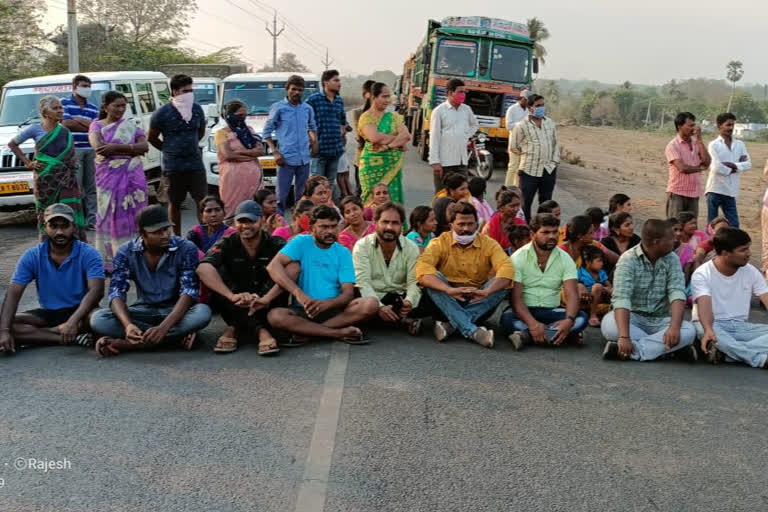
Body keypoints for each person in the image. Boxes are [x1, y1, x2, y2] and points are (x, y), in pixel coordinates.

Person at [90, 205, 212, 357]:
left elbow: (189, 292)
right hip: (143, 311)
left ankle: (132, 345)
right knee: (99, 319)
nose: (165, 235)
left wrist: (164, 328)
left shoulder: (186, 248)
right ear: (142, 234)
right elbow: (116, 292)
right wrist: (128, 325)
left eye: (167, 229)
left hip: (174, 311)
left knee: (202, 313)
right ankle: (174, 338)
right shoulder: (126, 251)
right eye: (157, 232)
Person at [266, 205, 379, 344]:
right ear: (312, 227)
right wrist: (299, 294)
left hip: (334, 311)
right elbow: (273, 266)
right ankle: (335, 333)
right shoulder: (301, 242)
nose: (330, 231)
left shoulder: (343, 253)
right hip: (303, 310)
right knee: (275, 316)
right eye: (324, 227)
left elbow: (347, 294)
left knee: (371, 304)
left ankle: (308, 333)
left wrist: (326, 304)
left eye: (333, 226)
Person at [0, 204, 104, 354]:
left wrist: (72, 322)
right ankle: (65, 337)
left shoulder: (88, 253)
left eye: (65, 226)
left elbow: (97, 291)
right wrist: (4, 331)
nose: (60, 232)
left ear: (74, 227)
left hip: (82, 311)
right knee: (5, 323)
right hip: (48, 314)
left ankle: (42, 335)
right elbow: (13, 293)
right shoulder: (32, 255)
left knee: (98, 319)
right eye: (54, 226)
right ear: (44, 228)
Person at [414, 202, 515, 348]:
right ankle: (473, 331)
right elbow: (422, 269)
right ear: (451, 225)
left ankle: (451, 325)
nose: (466, 229)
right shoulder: (439, 242)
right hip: (446, 299)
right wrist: (448, 290)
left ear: (477, 225)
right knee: (432, 277)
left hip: (477, 299)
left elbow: (507, 268)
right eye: (461, 224)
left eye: (470, 224)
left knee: (504, 283)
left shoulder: (489, 244)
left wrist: (487, 292)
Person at [600, 219, 697, 362]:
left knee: (689, 330)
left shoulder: (672, 259)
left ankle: (633, 351)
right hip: (632, 318)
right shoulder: (628, 259)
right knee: (611, 327)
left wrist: (674, 328)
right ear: (656, 242)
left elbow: (677, 293)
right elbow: (622, 298)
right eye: (670, 238)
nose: (676, 239)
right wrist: (624, 336)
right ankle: (669, 350)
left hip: (662, 320)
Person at [197, 200, 286, 355]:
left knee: (284, 271)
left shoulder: (276, 243)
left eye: (251, 221)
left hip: (267, 302)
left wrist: (264, 297)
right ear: (234, 223)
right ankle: (261, 331)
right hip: (236, 302)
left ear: (262, 221)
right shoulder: (226, 242)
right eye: (241, 221)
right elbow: (203, 268)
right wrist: (231, 295)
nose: (245, 226)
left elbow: (294, 269)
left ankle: (234, 327)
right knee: (215, 272)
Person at [501, 213, 587, 349]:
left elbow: (572, 294)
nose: (552, 236)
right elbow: (516, 299)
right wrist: (533, 324)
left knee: (581, 317)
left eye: (554, 232)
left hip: (552, 311)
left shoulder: (565, 259)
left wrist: (569, 320)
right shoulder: (518, 258)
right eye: (545, 232)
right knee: (507, 319)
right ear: (533, 234)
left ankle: (527, 336)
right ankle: (560, 335)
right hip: (525, 312)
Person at [8, 95, 87, 241]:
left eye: (61, 108)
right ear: (45, 112)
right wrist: (28, 162)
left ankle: (74, 244)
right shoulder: (34, 129)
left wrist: (73, 163)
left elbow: (70, 155)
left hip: (66, 180)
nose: (60, 111)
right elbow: (12, 144)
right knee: (47, 213)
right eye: (55, 108)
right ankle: (48, 246)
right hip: (45, 180)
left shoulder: (65, 131)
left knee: (68, 211)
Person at [88, 90, 149, 272]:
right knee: (110, 214)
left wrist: (116, 147)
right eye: (117, 105)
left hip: (133, 177)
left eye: (124, 105)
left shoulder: (131, 126)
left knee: (137, 214)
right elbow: (99, 148)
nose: (121, 109)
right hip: (108, 178)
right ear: (106, 107)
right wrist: (131, 149)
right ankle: (113, 260)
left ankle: (139, 255)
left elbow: (144, 146)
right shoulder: (96, 126)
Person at [692, 227, 768, 368]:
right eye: (743, 250)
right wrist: (708, 329)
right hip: (710, 324)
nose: (749, 253)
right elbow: (704, 306)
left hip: (742, 328)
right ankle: (760, 359)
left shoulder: (751, 271)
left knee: (725, 343)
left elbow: (766, 297)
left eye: (748, 248)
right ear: (725, 253)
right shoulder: (702, 274)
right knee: (709, 333)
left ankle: (726, 353)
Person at [148, 74, 207, 236]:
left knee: (202, 202)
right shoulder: (162, 113)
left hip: (195, 163)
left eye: (190, 90)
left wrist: (190, 146)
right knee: (174, 203)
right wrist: (168, 149)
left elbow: (200, 131)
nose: (188, 94)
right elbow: (151, 137)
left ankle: (205, 236)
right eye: (184, 91)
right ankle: (176, 238)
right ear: (174, 91)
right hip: (173, 165)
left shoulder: (197, 109)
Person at [353, 202, 424, 335]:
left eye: (395, 223)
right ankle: (403, 321)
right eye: (385, 222)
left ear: (401, 226)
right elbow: (363, 283)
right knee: (356, 296)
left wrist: (409, 302)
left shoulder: (411, 247)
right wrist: (379, 307)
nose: (389, 227)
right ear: (375, 223)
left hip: (399, 298)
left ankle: (395, 318)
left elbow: (413, 282)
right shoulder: (362, 246)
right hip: (372, 298)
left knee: (427, 292)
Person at [263, 75, 318, 216]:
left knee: (302, 196)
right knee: (281, 196)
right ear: (287, 90)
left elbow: (312, 127)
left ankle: (299, 224)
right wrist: (275, 152)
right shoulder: (278, 108)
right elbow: (267, 132)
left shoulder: (307, 108)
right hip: (285, 159)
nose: (297, 93)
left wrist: (315, 142)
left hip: (304, 158)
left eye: (300, 90)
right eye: (293, 89)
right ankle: (278, 226)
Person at [509, 94, 560, 221]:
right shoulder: (521, 125)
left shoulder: (550, 123)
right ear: (530, 107)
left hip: (548, 169)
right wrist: (529, 153)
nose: (541, 108)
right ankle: (525, 229)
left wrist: (554, 162)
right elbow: (514, 147)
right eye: (538, 106)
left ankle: (543, 227)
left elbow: (555, 144)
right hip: (529, 170)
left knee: (546, 203)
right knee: (525, 202)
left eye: (543, 105)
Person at [358, 82, 410, 205]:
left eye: (389, 96)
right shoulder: (366, 117)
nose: (388, 100)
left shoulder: (394, 117)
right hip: (372, 165)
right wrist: (398, 140)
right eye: (384, 96)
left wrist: (388, 146)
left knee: (392, 200)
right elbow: (375, 137)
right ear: (373, 97)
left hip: (392, 164)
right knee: (372, 201)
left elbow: (406, 136)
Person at [215, 99, 266, 218]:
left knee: (254, 211)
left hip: (253, 179)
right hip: (232, 180)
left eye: (245, 115)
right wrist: (251, 154)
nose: (243, 118)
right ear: (229, 115)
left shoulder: (249, 131)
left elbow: (261, 151)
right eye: (239, 115)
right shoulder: (221, 133)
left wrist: (241, 152)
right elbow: (228, 155)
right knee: (232, 210)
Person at [61, 74, 99, 228]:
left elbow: (96, 127)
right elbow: (66, 123)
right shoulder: (64, 103)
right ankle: (75, 221)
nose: (86, 89)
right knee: (75, 186)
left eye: (88, 86)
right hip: (74, 149)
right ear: (74, 87)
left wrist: (77, 121)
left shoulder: (93, 107)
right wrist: (87, 124)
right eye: (83, 86)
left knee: (92, 187)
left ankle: (92, 221)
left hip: (91, 149)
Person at [428, 78, 479, 192]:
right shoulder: (439, 111)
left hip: (461, 162)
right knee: (442, 196)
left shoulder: (466, 110)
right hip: (445, 162)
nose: (463, 95)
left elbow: (474, 124)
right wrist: (435, 161)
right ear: (450, 93)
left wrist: (465, 135)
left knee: (462, 195)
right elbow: (434, 137)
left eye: (464, 92)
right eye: (460, 92)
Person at [705, 113, 751, 227]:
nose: (731, 128)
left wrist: (732, 165)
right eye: (728, 125)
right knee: (712, 225)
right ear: (719, 126)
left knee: (734, 226)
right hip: (715, 189)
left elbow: (748, 164)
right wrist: (737, 167)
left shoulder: (740, 144)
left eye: (733, 125)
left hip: (730, 191)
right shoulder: (713, 145)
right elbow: (715, 167)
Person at [307, 70, 347, 197]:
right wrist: (313, 141)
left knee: (329, 183)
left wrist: (342, 134)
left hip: (335, 150)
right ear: (325, 82)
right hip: (320, 150)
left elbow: (342, 121)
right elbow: (304, 122)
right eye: (335, 80)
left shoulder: (339, 101)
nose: (339, 83)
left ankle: (327, 212)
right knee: (316, 184)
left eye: (339, 80)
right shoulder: (314, 100)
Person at [665, 112, 711, 218]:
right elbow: (682, 168)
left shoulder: (696, 143)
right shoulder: (672, 146)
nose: (693, 128)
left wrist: (699, 140)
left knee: (691, 228)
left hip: (694, 193)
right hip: (677, 193)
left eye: (694, 125)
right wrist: (700, 168)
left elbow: (707, 162)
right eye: (690, 125)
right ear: (680, 126)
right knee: (675, 227)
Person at [351, 80, 376, 195]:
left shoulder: (385, 115)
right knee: (361, 193)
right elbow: (361, 137)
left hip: (381, 161)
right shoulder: (357, 113)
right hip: (362, 159)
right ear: (365, 95)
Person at [482, 188, 526, 252]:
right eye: (512, 206)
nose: (517, 209)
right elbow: (485, 249)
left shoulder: (521, 224)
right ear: (501, 208)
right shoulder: (489, 227)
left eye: (518, 205)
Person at [504, 89, 533, 187]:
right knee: (513, 166)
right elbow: (508, 126)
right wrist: (521, 124)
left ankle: (516, 188)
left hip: (525, 141)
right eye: (527, 100)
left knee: (521, 168)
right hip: (515, 139)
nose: (528, 102)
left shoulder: (529, 111)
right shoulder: (512, 109)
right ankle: (507, 188)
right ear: (522, 98)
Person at [578, 245, 613, 327]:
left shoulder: (601, 273)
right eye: (599, 261)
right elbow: (576, 285)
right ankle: (593, 315)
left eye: (602, 261)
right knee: (597, 286)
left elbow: (609, 286)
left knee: (612, 290)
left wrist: (606, 289)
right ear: (588, 262)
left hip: (602, 297)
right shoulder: (580, 272)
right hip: (587, 298)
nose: (602, 263)